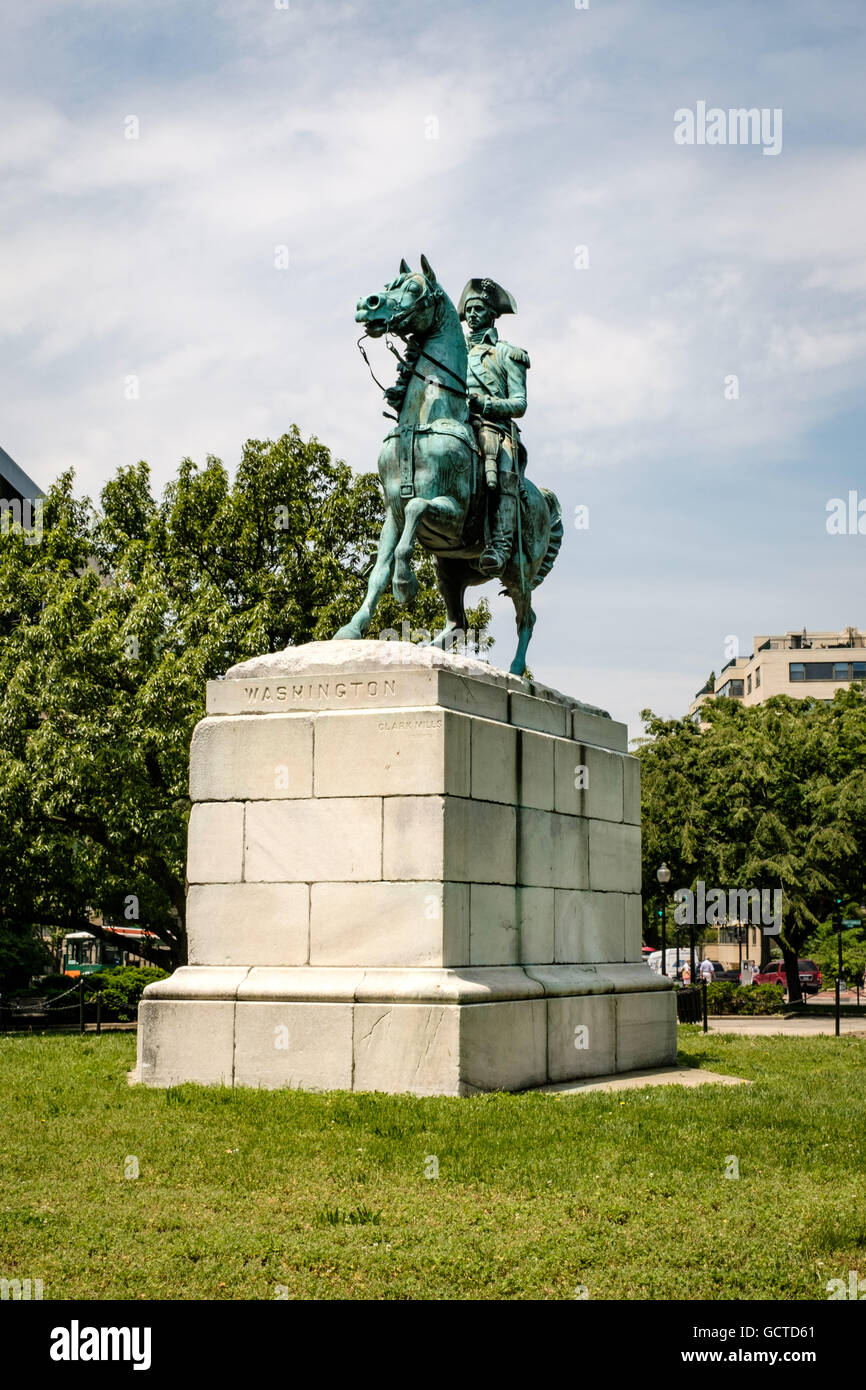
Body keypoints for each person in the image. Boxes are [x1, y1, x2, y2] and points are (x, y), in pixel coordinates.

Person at [457, 277, 529, 575]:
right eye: (469, 310)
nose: (472, 315)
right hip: (458, 422)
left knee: (504, 468)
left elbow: (519, 404)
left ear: (491, 313)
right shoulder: (453, 350)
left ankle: (500, 545)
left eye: (478, 309)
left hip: (495, 427)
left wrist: (486, 404)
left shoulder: (507, 354)